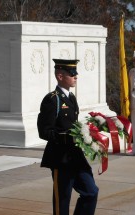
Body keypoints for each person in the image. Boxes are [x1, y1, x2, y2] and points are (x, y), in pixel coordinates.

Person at [37, 59, 98, 215]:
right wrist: (66, 137)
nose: (75, 76)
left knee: (91, 191)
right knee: (62, 202)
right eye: (72, 74)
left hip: (75, 155)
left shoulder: (71, 98)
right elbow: (44, 131)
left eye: (75, 73)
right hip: (60, 158)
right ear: (60, 76)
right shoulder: (52, 99)